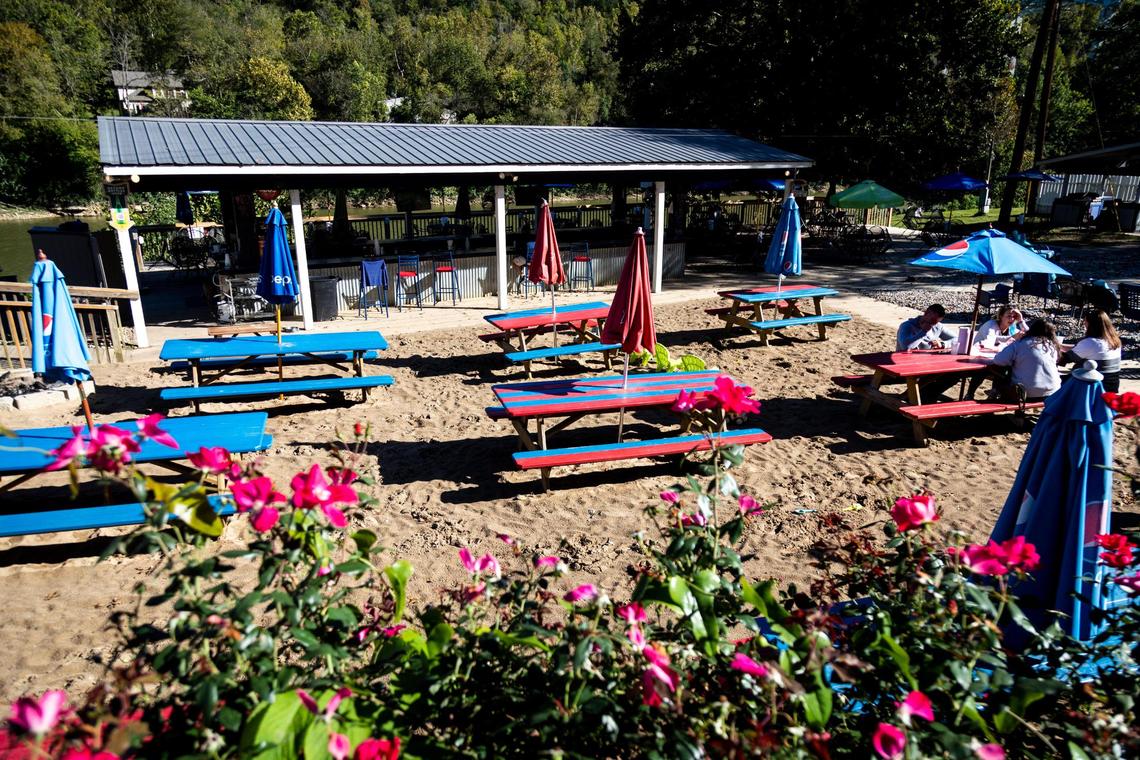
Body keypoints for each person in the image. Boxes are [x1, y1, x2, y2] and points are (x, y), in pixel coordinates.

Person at [987, 319, 1062, 402]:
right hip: (1053, 392)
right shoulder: (1052, 346)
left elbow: (998, 360)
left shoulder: (1020, 344)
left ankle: (993, 395)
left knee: (1001, 370)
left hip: (1026, 393)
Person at [1060, 309, 1122, 393]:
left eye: (1085, 322)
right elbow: (1084, 350)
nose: (1084, 324)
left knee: (1055, 383)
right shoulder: (1114, 340)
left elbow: (1063, 359)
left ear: (1091, 324)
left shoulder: (1090, 343)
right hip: (1112, 386)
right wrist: (1060, 346)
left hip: (1093, 387)